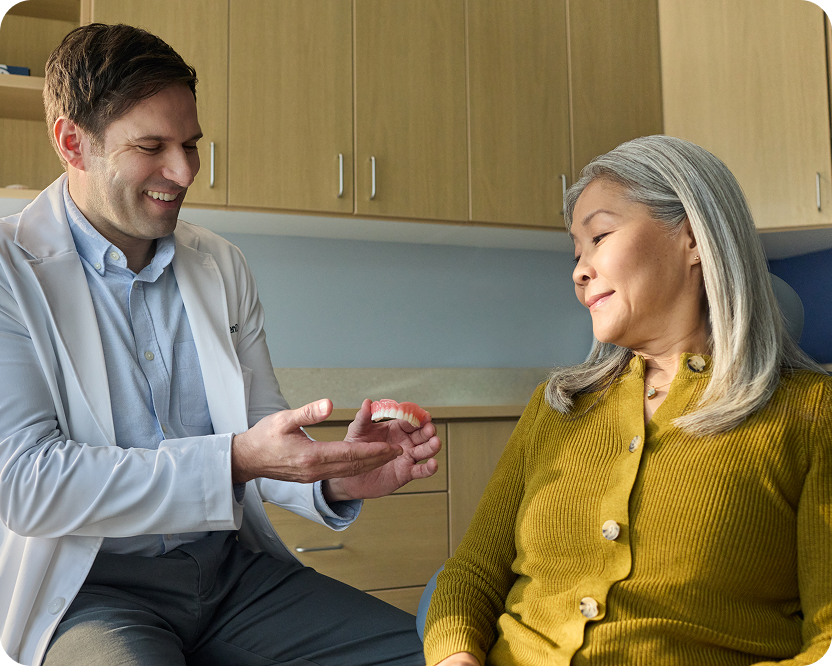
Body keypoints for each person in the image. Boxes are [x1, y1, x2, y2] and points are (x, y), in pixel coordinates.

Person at [0, 23, 441, 666]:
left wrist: (336, 477)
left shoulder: (220, 264)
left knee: (432, 655)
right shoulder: (11, 270)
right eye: (151, 146)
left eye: (191, 144)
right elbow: (28, 483)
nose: (182, 172)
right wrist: (233, 460)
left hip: (230, 577)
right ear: (73, 143)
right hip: (89, 594)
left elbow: (260, 430)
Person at [422, 135, 832, 665]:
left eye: (599, 237)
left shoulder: (810, 415)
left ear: (693, 238)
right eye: (576, 252)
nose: (579, 270)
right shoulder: (556, 409)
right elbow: (472, 575)